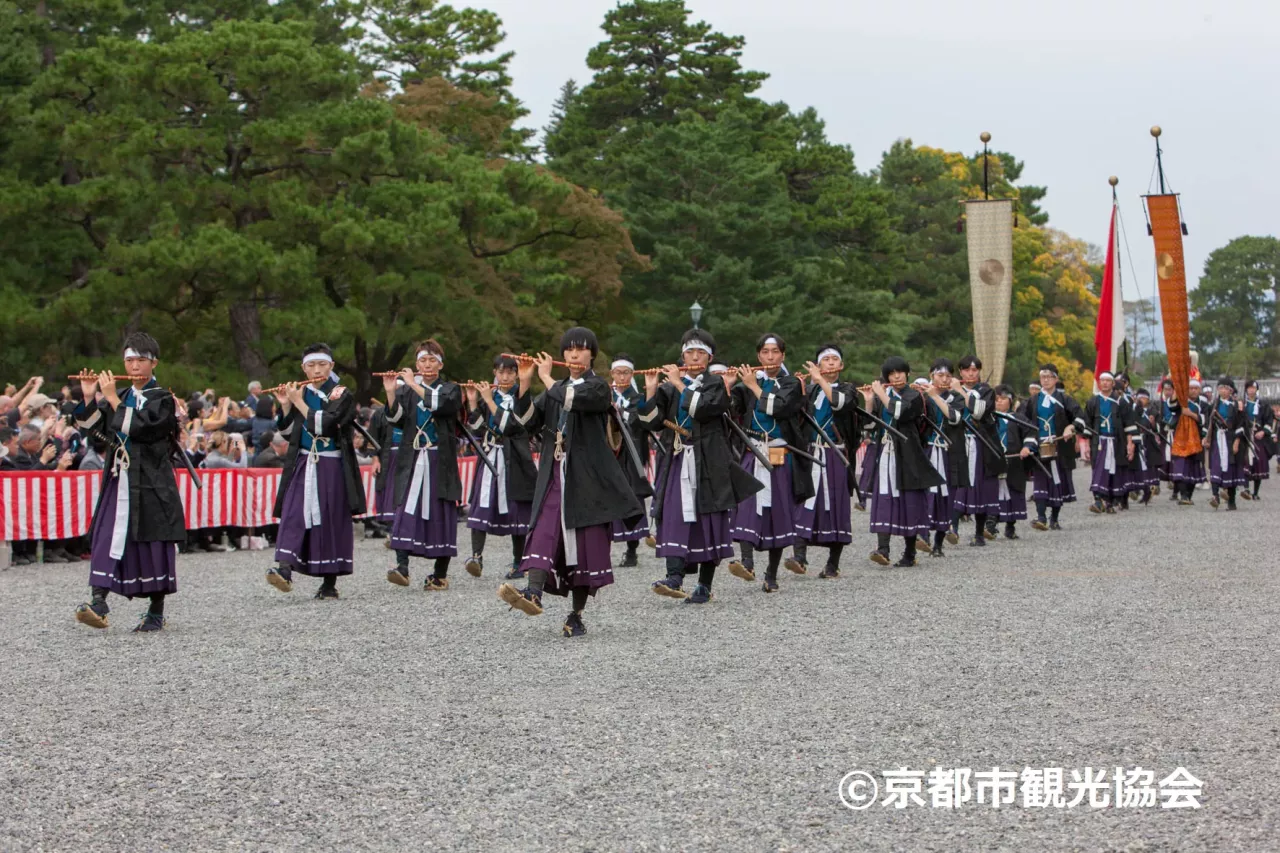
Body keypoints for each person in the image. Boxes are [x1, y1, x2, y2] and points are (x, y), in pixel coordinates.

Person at [496, 327, 645, 638]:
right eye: (569, 350)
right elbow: (520, 425)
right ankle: (533, 592)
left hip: (588, 479)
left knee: (585, 544)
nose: (574, 355)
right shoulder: (555, 387)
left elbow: (571, 400)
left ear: (591, 354)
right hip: (555, 473)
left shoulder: (598, 387)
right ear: (563, 354)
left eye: (581, 349)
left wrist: (546, 378)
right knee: (544, 527)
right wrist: (524, 382)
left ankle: (576, 614)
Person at [72, 333, 185, 632]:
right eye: (129, 360)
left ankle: (156, 611)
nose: (134, 366)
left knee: (152, 542)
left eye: (140, 360)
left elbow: (144, 429)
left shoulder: (163, 398)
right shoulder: (121, 396)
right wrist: (88, 396)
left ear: (154, 363)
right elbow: (94, 431)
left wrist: (109, 398)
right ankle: (99, 601)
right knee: (105, 535)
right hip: (119, 477)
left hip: (151, 481)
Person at [638, 329, 760, 602]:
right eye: (689, 352)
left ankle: (704, 585)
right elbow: (649, 422)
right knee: (673, 515)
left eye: (700, 353)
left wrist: (680, 384)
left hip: (710, 461)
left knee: (709, 519)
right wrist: (650, 388)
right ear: (682, 355)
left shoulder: (716, 384)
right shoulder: (668, 388)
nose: (694, 357)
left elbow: (703, 408)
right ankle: (674, 576)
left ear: (709, 358)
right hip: (678, 458)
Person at [266, 343, 366, 599]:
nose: (316, 370)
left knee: (330, 518)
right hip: (303, 462)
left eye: (322, 364)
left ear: (331, 366)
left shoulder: (341, 393)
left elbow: (327, 425)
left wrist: (298, 402)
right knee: (293, 512)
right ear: (303, 368)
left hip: (332, 463)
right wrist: (286, 406)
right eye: (310, 366)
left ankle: (329, 582)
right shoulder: (302, 391)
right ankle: (285, 570)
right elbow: (291, 434)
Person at [725, 334, 814, 592]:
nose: (770, 357)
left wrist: (754, 385)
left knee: (777, 512)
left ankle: (771, 575)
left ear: (783, 356)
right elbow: (731, 411)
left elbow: (781, 408)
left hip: (779, 452)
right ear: (758, 356)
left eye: (775, 352)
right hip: (753, 451)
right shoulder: (747, 384)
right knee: (746, 504)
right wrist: (729, 386)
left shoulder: (792, 383)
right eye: (765, 352)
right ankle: (747, 563)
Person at [384, 340, 462, 590]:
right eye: (422, 361)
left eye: (432, 360)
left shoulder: (451, 389)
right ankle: (402, 567)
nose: (427, 365)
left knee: (441, 511)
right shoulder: (406, 391)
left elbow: (442, 405)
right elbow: (397, 421)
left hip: (440, 459)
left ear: (441, 364)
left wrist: (412, 385)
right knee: (405, 509)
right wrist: (390, 392)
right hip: (413, 457)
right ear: (416, 363)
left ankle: (439, 574)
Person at [862, 356, 943, 567]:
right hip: (886, 453)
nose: (896, 376)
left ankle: (909, 553)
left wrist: (881, 393)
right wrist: (870, 400)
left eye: (900, 372)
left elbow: (901, 413)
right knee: (884, 497)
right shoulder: (883, 396)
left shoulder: (914, 395)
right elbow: (869, 426)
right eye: (891, 373)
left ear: (907, 374)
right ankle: (883, 549)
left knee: (910, 501)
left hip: (909, 455)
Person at [462, 354, 536, 580]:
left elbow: (512, 427)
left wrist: (490, 402)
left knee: (517, 511)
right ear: (494, 372)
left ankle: (518, 563)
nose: (504, 377)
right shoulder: (487, 397)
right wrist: (474, 402)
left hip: (515, 459)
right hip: (490, 456)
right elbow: (476, 430)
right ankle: (476, 556)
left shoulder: (522, 397)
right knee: (482, 504)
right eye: (500, 372)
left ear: (516, 374)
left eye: (510, 372)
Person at [790, 345, 859, 577]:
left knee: (836, 505)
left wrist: (820, 380)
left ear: (841, 366)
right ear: (818, 365)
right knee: (802, 502)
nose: (830, 363)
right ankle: (799, 557)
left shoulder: (849, 389)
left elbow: (841, 404)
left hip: (835, 453)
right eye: (825, 360)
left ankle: (833, 563)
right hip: (810, 452)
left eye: (834, 360)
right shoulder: (808, 390)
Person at [1018, 364, 1085, 530]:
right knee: (1040, 480)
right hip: (1039, 445)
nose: (1046, 380)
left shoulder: (1064, 400)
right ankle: (1041, 517)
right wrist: (1027, 443)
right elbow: (1022, 421)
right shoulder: (1032, 401)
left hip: (1060, 446)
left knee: (1058, 481)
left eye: (1049, 377)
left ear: (1056, 379)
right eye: (1043, 377)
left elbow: (1080, 417)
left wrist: (1071, 427)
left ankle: (1054, 518)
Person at [949, 355, 1007, 546]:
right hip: (958, 444)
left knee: (981, 487)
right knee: (957, 485)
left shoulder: (986, 391)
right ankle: (953, 529)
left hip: (981, 445)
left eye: (974, 370)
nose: (971, 373)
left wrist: (962, 392)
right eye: (966, 370)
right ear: (960, 372)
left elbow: (979, 411)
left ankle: (979, 534)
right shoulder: (951, 391)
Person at [607, 353, 652, 567]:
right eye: (618, 372)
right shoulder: (605, 394)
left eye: (626, 373)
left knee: (633, 498)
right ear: (612, 373)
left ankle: (632, 549)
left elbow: (638, 421)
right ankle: (601, 549)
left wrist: (620, 413)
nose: (622, 376)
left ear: (632, 374)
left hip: (631, 453)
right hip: (609, 453)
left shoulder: (637, 398)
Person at [915, 359, 964, 557]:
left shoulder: (956, 398)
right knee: (925, 494)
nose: (943, 379)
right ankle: (923, 536)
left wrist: (935, 397)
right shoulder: (920, 395)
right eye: (939, 375)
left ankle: (938, 543)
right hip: (926, 450)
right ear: (931, 375)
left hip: (947, 453)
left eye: (947, 376)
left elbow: (955, 417)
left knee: (946, 496)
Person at [1082, 371, 1137, 514]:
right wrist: (1086, 445)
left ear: (1113, 383)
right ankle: (1098, 500)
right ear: (1100, 383)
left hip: (1116, 441)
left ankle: (1110, 502)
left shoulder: (1121, 402)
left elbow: (1129, 425)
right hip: (1099, 442)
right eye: (1103, 380)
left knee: (1114, 471)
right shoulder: (1093, 401)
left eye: (1108, 381)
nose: (1105, 383)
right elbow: (1087, 425)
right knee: (1099, 470)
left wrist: (1130, 445)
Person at [991, 386, 1031, 539]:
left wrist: (1027, 447)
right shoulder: (989, 418)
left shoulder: (1018, 418)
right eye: (996, 399)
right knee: (992, 492)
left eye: (1003, 398)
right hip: (994, 460)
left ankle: (1010, 526)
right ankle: (991, 525)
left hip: (1014, 461)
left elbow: (1030, 433)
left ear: (1010, 401)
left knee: (1014, 491)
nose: (999, 401)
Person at [1204, 377, 1248, 510]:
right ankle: (1215, 496)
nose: (1223, 390)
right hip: (1217, 439)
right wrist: (1206, 437)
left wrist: (1237, 441)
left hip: (1230, 439)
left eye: (1226, 388)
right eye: (1221, 388)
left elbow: (1241, 425)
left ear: (1231, 391)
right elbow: (1208, 424)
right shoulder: (1213, 406)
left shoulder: (1236, 406)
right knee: (1215, 467)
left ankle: (1232, 501)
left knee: (1230, 469)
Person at [1169, 379, 1207, 506]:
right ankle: (1183, 495)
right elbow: (1172, 406)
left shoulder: (1203, 403)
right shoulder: (1181, 400)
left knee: (1193, 468)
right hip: (1180, 438)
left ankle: (1188, 495)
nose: (1193, 391)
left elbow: (1204, 420)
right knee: (1180, 467)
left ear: (1199, 390)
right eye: (1191, 388)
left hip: (1196, 439)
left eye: (1196, 388)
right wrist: (1177, 388)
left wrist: (1190, 413)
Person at [1240, 380, 1273, 500]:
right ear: (1246, 389)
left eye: (1253, 388)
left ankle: (1255, 492)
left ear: (1256, 389)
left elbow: (1269, 421)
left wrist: (1263, 431)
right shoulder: (1241, 404)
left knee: (1258, 463)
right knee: (1245, 462)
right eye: (1249, 388)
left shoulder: (1263, 404)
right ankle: (1246, 489)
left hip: (1259, 438)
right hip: (1245, 437)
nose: (1251, 390)